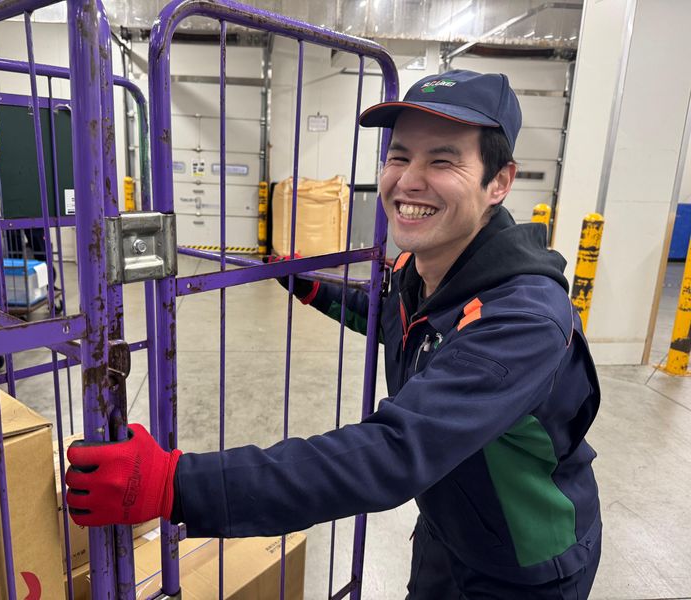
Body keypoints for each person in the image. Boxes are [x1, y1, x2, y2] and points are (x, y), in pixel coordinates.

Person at [65, 70, 602, 599]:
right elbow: (396, 317)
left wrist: (174, 483)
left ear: (499, 182)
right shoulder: (426, 268)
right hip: (448, 530)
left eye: (442, 160)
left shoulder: (523, 320)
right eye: (399, 157)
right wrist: (313, 287)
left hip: (525, 567)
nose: (409, 180)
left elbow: (392, 452)